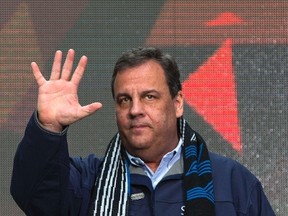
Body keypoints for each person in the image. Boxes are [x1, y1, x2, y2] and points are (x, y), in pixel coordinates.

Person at [11, 47, 275, 216]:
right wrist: (48, 127)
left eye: (149, 97)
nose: (135, 109)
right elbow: (33, 196)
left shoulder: (233, 182)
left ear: (177, 103)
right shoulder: (87, 180)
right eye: (124, 99)